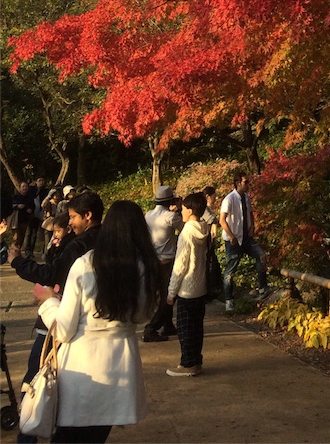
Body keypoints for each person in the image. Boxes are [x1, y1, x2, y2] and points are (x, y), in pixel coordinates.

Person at [35, 199, 161, 444]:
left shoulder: (84, 264)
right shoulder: (144, 268)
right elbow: (143, 316)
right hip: (120, 364)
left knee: (68, 437)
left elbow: (63, 330)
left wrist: (49, 302)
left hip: (81, 367)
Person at [10, 189, 103, 444]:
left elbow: (51, 275)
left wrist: (18, 263)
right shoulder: (108, 243)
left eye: (73, 218)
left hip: (61, 322)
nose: (70, 225)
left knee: (35, 381)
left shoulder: (81, 249)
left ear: (88, 215)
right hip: (90, 337)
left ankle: (29, 432)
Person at [166, 192, 208, 377]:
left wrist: (171, 292)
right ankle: (196, 361)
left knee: (185, 329)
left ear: (190, 211)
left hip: (187, 288)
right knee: (197, 327)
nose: (180, 212)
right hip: (200, 286)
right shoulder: (204, 228)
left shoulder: (186, 233)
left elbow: (180, 264)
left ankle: (187, 364)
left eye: (183, 209)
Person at [220, 171, 268, 312]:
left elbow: (250, 214)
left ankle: (262, 287)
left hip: (246, 237)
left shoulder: (247, 198)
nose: (248, 185)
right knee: (230, 270)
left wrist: (252, 226)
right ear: (238, 183)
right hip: (233, 239)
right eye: (246, 182)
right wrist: (232, 236)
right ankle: (228, 300)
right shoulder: (229, 199)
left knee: (261, 256)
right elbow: (222, 220)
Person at [143, 185, 182, 342]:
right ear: (170, 200)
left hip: (152, 260)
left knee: (160, 294)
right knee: (170, 295)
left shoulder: (148, 215)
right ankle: (151, 328)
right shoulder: (171, 217)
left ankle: (168, 324)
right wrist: (178, 209)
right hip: (167, 261)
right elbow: (184, 227)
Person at [10, 181, 36, 251]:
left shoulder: (30, 197)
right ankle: (13, 251)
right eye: (23, 186)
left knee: (22, 237)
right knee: (16, 237)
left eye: (26, 186)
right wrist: (17, 206)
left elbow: (33, 206)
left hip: (25, 220)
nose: (25, 188)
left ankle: (18, 251)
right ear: (20, 188)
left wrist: (30, 210)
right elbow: (10, 206)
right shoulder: (15, 197)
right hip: (15, 221)